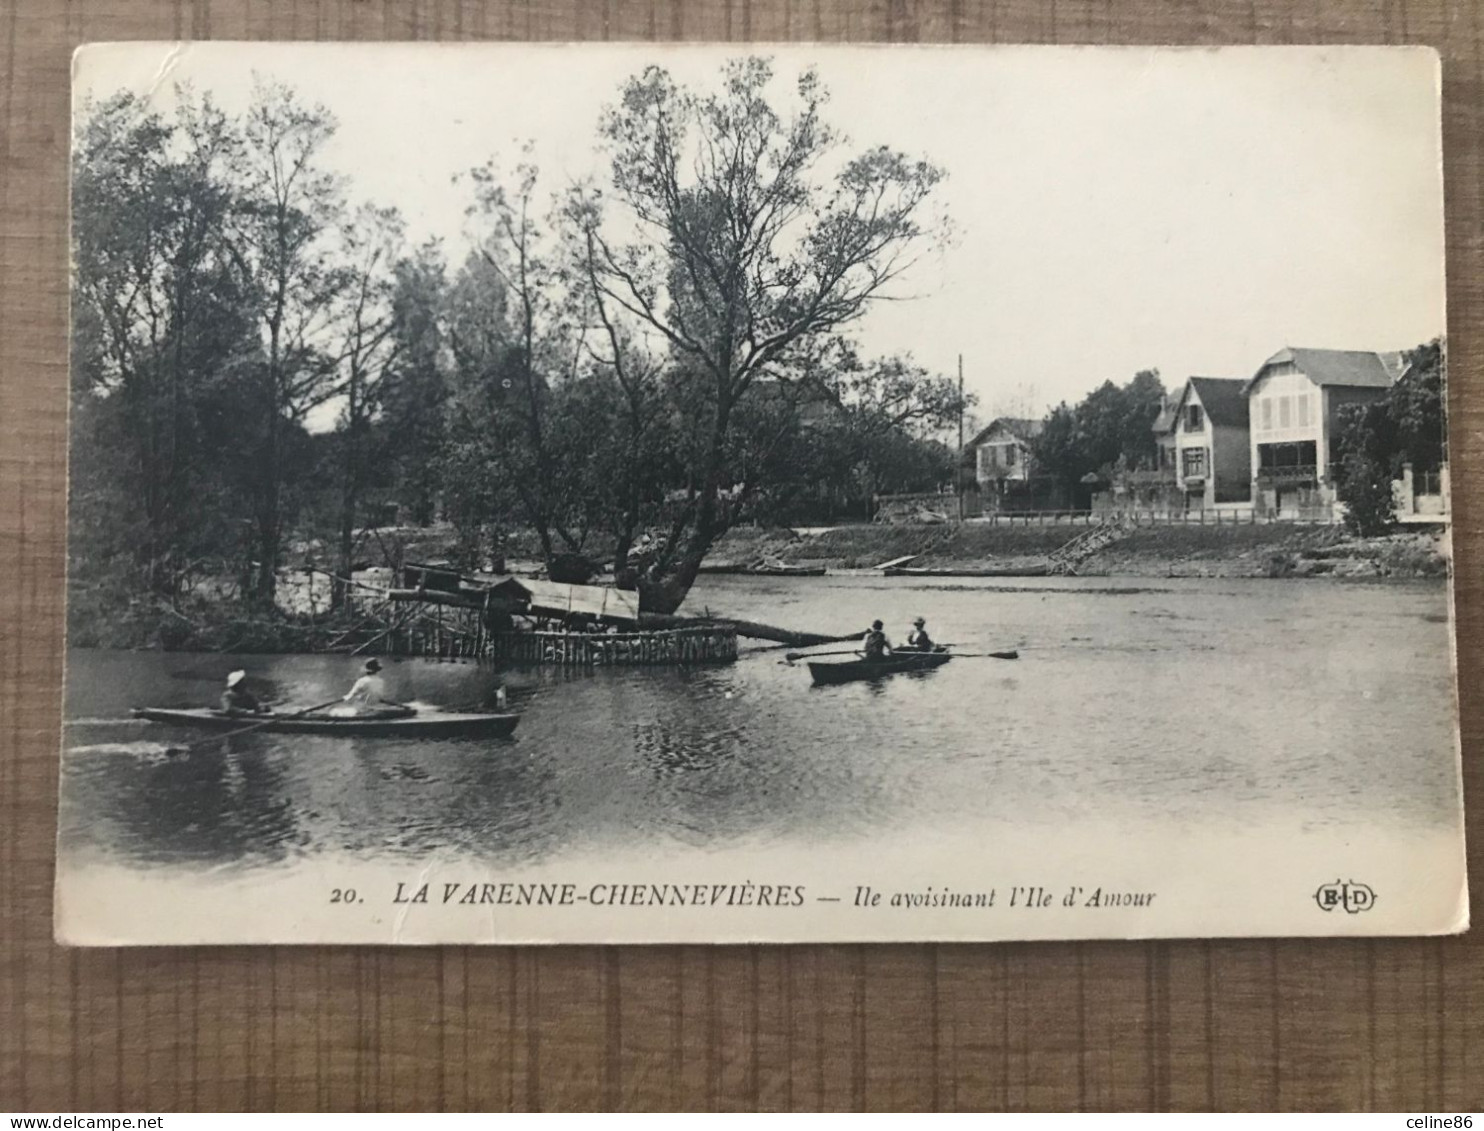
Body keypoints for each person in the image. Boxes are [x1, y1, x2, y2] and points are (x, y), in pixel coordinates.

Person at [336, 658, 406, 717]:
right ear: (377, 670)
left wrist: (345, 698)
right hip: (375, 709)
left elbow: (350, 697)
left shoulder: (362, 681)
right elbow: (379, 698)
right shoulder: (381, 681)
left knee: (334, 712)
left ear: (366, 670)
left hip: (361, 710)